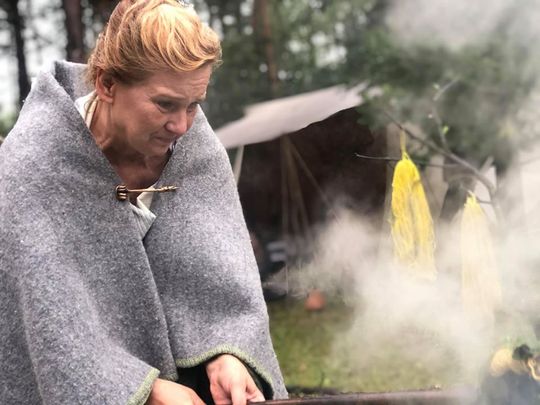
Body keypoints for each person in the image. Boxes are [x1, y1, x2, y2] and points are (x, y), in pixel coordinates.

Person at [0, 0, 287, 404]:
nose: (182, 125)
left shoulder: (195, 148)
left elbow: (218, 285)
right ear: (107, 84)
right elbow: (52, 322)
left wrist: (227, 355)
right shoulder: (33, 164)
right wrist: (141, 390)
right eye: (164, 104)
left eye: (194, 104)